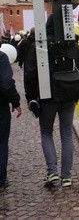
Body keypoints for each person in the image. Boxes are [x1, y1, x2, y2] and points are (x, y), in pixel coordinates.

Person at [23, 14, 79, 188]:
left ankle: (52, 172)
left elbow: (30, 74)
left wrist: (30, 98)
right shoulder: (73, 45)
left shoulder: (41, 45)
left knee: (46, 132)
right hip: (68, 95)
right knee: (66, 133)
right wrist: (77, 94)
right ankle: (66, 176)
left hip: (47, 95)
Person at [0, 42, 22, 192]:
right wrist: (15, 101)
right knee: (1, 143)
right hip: (0, 108)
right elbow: (6, 83)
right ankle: (0, 180)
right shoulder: (1, 57)